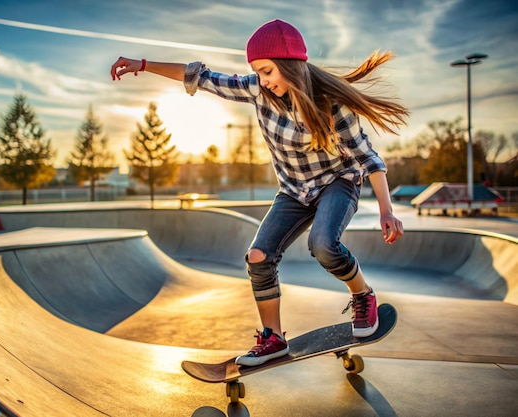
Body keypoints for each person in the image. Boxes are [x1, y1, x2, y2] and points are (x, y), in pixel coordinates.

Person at [111, 19, 408, 367]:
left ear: (290, 65)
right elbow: (200, 77)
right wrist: (143, 65)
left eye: (268, 71)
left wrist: (387, 210)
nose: (263, 81)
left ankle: (363, 295)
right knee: (258, 257)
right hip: (294, 191)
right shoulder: (257, 90)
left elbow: (368, 159)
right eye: (257, 73)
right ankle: (273, 338)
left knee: (323, 244)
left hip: (338, 183)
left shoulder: (330, 102)